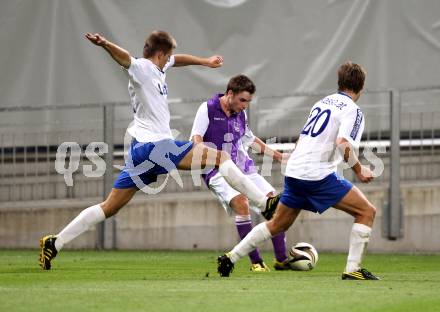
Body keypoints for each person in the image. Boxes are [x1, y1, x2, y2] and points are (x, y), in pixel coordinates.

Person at [39, 31, 280, 270]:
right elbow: (125, 58)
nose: (170, 60)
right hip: (155, 146)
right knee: (221, 157)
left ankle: (55, 242)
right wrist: (104, 44)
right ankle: (264, 202)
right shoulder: (142, 68)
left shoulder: (160, 67)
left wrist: (205, 62)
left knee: (109, 207)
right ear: (160, 54)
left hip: (140, 152)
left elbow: (180, 60)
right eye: (168, 56)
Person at [217, 62, 380, 280]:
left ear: (339, 82)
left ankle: (230, 258)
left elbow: (302, 138)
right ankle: (352, 269)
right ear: (361, 86)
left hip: (295, 172)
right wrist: (359, 170)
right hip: (318, 176)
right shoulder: (353, 110)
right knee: (366, 212)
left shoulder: (322, 103)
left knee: (276, 224)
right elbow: (343, 143)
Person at [190, 74, 291, 272]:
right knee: (241, 203)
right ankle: (256, 262)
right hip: (216, 170)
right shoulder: (208, 108)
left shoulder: (241, 115)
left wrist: (279, 156)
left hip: (244, 168)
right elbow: (196, 139)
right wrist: (210, 156)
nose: (245, 105)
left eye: (248, 101)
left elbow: (251, 141)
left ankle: (281, 260)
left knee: (275, 204)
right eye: (242, 100)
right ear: (230, 94)